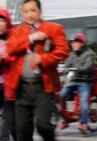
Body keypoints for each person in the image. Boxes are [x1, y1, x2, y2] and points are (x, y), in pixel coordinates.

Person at [5, 0, 69, 141]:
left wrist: (43, 59)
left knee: (44, 126)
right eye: (26, 11)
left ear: (40, 11)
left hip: (43, 87)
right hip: (21, 88)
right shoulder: (17, 31)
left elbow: (63, 51)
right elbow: (10, 49)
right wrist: (30, 38)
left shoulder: (54, 28)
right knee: (22, 131)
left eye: (33, 10)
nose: (29, 15)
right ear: (22, 13)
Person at [59, 33, 96, 133]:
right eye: (72, 42)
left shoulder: (88, 54)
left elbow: (89, 66)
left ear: (82, 43)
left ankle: (83, 124)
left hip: (85, 82)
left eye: (76, 42)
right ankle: (66, 118)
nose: (73, 44)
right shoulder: (71, 54)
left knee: (84, 102)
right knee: (61, 96)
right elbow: (67, 64)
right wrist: (65, 70)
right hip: (74, 81)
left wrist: (77, 69)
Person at [0, 8, 16, 141]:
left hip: (9, 85)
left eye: (2, 20)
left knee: (7, 118)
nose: (0, 24)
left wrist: (6, 57)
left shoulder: (13, 39)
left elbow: (19, 59)